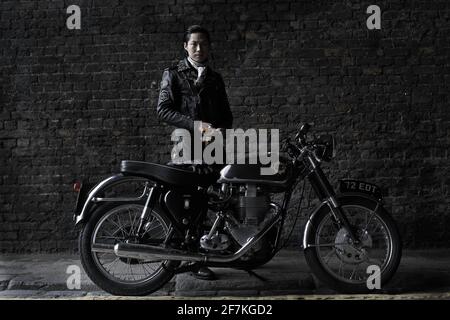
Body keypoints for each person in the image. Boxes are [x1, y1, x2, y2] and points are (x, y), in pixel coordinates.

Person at [156, 25, 233, 280]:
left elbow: (226, 116)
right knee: (191, 202)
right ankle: (193, 260)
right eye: (194, 44)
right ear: (186, 46)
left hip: (214, 147)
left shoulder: (215, 78)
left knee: (215, 200)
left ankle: (216, 249)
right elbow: (163, 110)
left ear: (209, 47)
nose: (199, 49)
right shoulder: (174, 74)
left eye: (203, 44)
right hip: (185, 145)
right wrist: (195, 126)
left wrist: (219, 131)